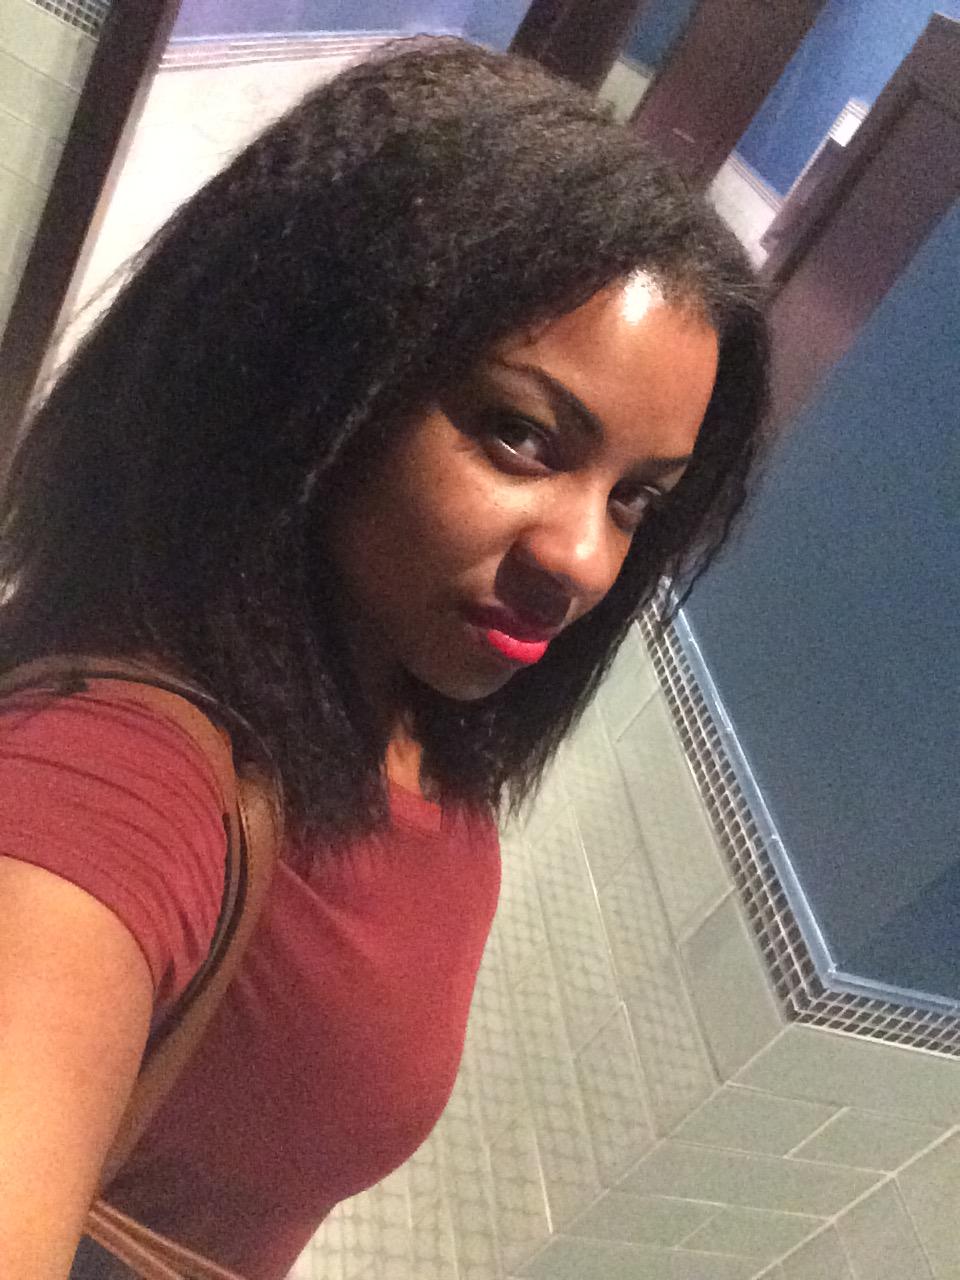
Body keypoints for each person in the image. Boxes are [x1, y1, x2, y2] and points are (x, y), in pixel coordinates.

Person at [0, 36, 768, 1280]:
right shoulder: (116, 779)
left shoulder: (409, 690)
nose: (584, 557)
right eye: (521, 434)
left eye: (635, 496)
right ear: (317, 378)